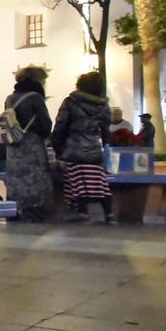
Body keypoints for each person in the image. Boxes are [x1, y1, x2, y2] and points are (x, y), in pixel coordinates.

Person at [51, 71, 113, 223]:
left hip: (73, 150)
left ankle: (82, 212)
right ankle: (109, 214)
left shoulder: (70, 102)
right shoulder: (103, 106)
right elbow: (106, 131)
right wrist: (104, 145)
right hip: (94, 150)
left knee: (78, 182)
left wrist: (58, 150)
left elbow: (60, 127)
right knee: (99, 182)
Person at [2, 66, 54, 222]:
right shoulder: (35, 98)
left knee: (16, 177)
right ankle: (34, 211)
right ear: (37, 80)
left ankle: (15, 209)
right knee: (35, 177)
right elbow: (45, 124)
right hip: (31, 144)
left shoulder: (10, 98)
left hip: (14, 144)